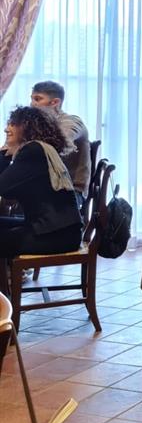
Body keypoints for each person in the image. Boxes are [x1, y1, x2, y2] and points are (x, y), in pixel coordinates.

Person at [0, 106, 82, 296]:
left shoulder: (33, 151)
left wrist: (4, 153)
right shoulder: (40, 149)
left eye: (13, 124)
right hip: (59, 230)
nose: (6, 129)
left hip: (55, 236)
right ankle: (5, 294)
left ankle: (4, 300)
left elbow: (3, 187)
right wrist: (6, 152)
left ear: (27, 127)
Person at [30, 81, 91, 208]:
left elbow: (59, 142)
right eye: (32, 99)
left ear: (55, 102)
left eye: (38, 99)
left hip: (70, 191)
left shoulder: (72, 121)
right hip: (43, 188)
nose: (32, 104)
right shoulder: (40, 125)